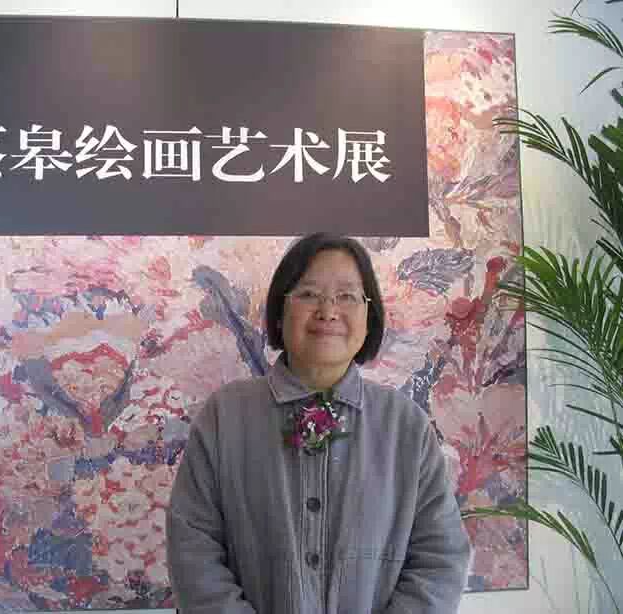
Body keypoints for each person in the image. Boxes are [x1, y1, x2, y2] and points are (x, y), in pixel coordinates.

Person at [166, 232, 472, 614]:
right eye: (309, 294)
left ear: (369, 316)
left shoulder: (406, 426)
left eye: (347, 296)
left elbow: (440, 558)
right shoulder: (224, 417)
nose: (328, 310)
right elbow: (193, 549)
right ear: (280, 311)